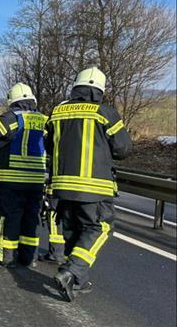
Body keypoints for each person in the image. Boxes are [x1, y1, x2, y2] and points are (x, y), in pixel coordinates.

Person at [46, 67, 132, 302]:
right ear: (100, 90)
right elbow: (123, 149)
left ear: (76, 87)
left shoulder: (57, 112)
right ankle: (71, 271)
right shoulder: (105, 113)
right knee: (100, 228)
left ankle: (78, 280)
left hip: (62, 186)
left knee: (73, 230)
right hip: (94, 188)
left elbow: (49, 145)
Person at [0, 83, 47, 268]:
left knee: (8, 216)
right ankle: (29, 257)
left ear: (13, 101)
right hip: (36, 180)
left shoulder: (12, 118)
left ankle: (6, 256)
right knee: (31, 218)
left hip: (12, 178)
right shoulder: (44, 120)